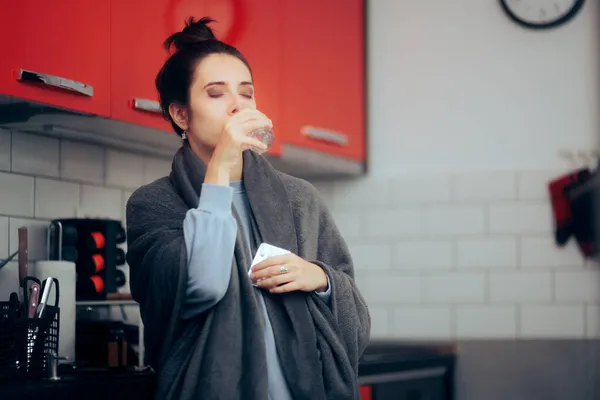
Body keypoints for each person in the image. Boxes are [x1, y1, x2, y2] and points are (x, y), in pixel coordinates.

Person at [125, 16, 371, 400]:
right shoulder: (154, 203)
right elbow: (203, 286)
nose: (238, 106)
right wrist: (222, 163)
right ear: (181, 114)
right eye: (216, 93)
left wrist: (320, 279)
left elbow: (353, 305)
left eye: (246, 92)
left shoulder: (299, 198)